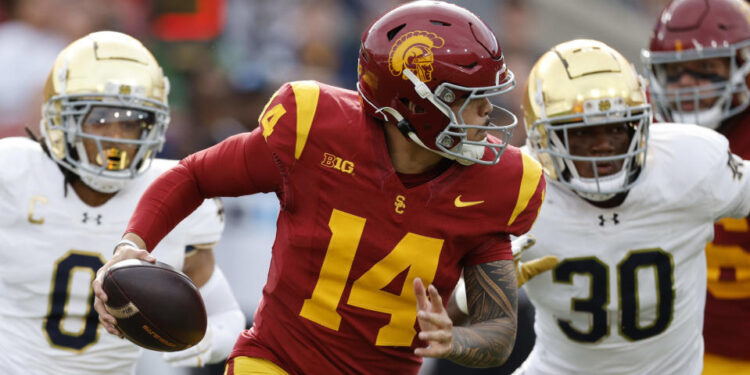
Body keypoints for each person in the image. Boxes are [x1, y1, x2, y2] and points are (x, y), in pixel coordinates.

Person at [91, 1, 547, 374]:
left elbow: (499, 330)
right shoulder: (315, 128)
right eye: (472, 98)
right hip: (276, 363)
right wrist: (132, 245)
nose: (489, 113)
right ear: (417, 104)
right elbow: (194, 175)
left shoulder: (497, 183)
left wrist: (455, 340)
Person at [0, 31, 245, 374]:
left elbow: (226, 315)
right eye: (100, 120)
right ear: (63, 120)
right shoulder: (12, 172)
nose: (115, 139)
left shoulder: (175, 192)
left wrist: (208, 342)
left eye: (132, 123)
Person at [506, 38, 750, 375]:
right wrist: (472, 296)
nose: (603, 144)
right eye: (581, 132)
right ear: (544, 138)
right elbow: (447, 308)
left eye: (617, 127)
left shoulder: (690, 164)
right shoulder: (513, 188)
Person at [641, 0, 750, 373]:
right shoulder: (634, 128)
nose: (686, 84)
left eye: (705, 68)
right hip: (668, 352)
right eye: (673, 71)